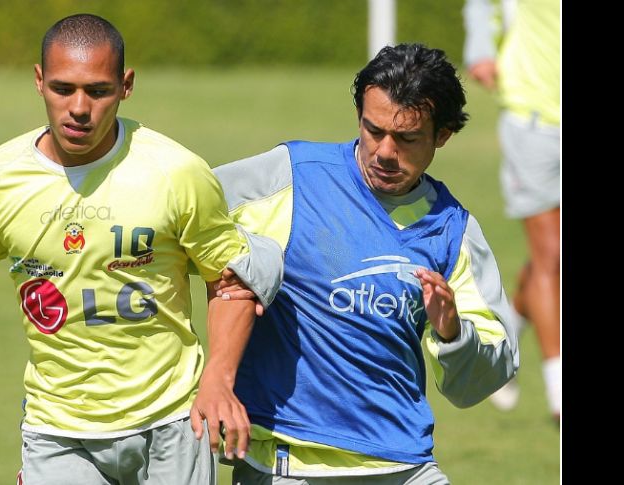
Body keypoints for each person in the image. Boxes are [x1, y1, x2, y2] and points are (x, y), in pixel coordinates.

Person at [0, 13, 283, 485]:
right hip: (57, 427)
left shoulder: (176, 173)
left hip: (172, 417)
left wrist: (219, 376)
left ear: (126, 85)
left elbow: (229, 281)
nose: (78, 107)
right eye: (62, 88)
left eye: (97, 90)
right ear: (38, 81)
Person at [212, 43, 519, 484]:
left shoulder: (454, 231)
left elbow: (484, 379)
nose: (385, 152)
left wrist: (453, 333)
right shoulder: (293, 177)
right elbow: (185, 211)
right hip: (288, 462)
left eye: (407, 138)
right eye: (373, 130)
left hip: (404, 462)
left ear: (443, 135)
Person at [463, 0, 560, 419]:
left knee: (552, 260)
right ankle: (558, 393)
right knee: (550, 256)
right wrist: (480, 48)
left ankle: (509, 335)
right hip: (533, 123)